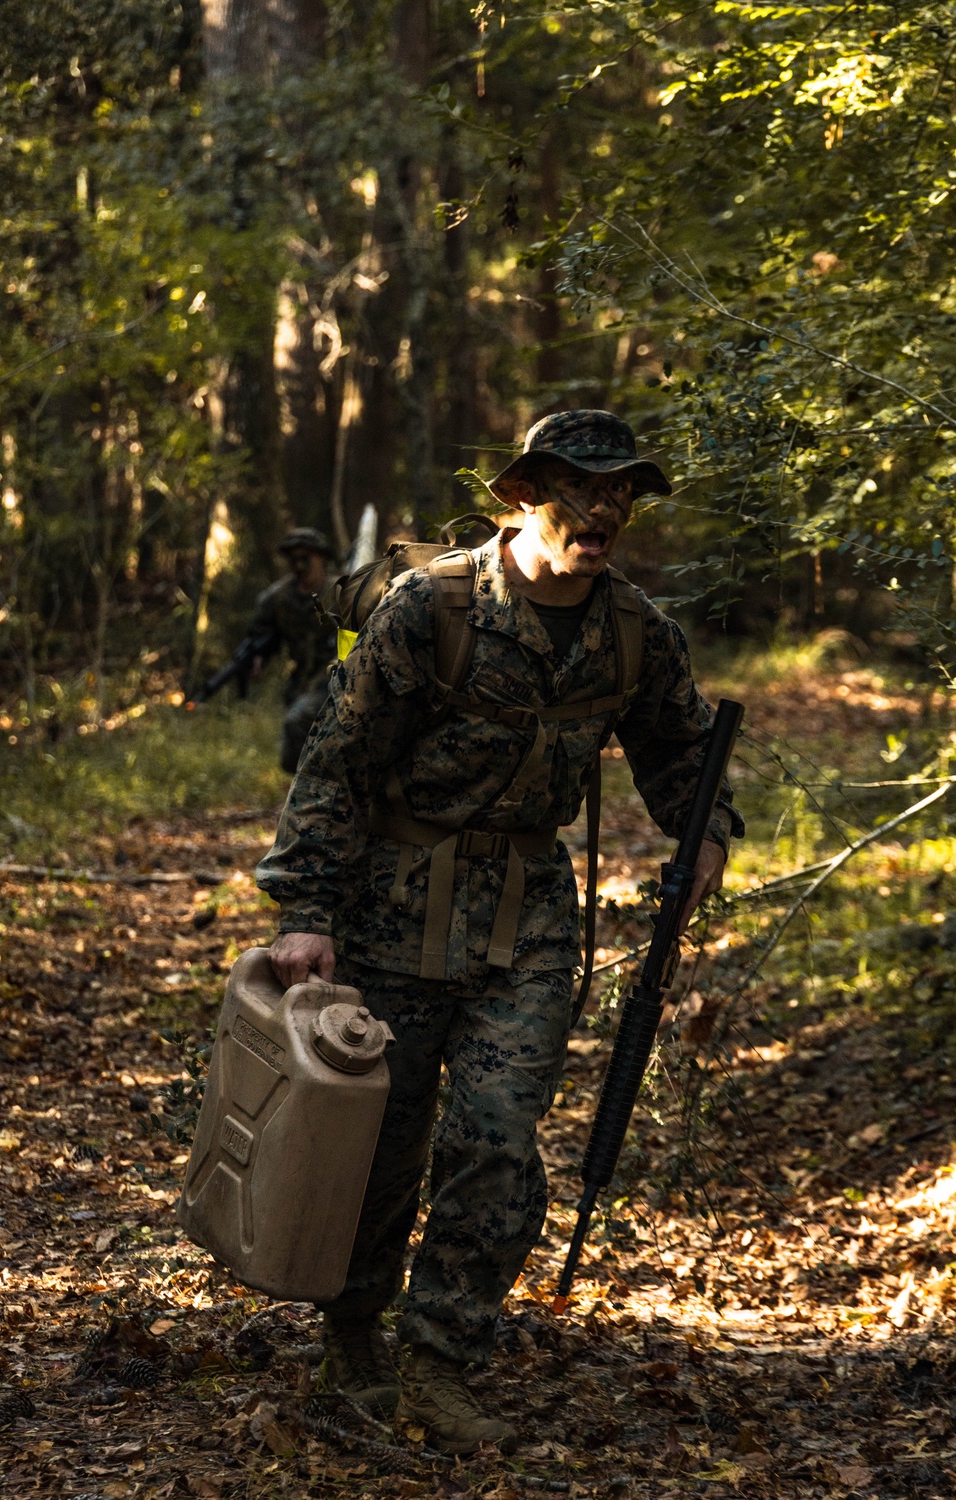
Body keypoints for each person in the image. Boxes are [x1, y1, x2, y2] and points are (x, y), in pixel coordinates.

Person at [255, 410, 744, 1454]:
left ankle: (440, 1362)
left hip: (526, 918)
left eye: (621, 493)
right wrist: (305, 913)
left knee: (495, 1140)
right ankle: (351, 1339)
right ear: (524, 495)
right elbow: (336, 764)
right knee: (381, 1142)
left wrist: (705, 833)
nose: (603, 510)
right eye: (581, 487)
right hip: (394, 901)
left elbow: (677, 750)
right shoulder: (428, 610)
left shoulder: (633, 633)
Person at [250, 527, 337, 773]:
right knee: (292, 753)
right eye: (293, 560)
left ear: (322, 559)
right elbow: (261, 636)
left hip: (337, 678)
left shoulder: (342, 592)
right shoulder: (277, 598)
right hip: (302, 683)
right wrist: (258, 659)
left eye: (305, 559)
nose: (299, 567)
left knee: (298, 724)